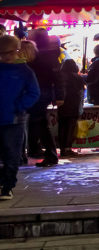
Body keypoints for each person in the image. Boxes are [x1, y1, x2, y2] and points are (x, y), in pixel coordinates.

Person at [0, 35, 40, 200]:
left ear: (17, 51)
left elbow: (34, 93)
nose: (5, 56)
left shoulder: (25, 71)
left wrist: (18, 106)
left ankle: (7, 185)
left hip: (13, 119)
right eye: (2, 53)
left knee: (12, 153)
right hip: (8, 117)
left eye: (8, 53)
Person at [26, 29, 64, 167]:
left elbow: (58, 77)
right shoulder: (48, 54)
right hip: (43, 93)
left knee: (40, 124)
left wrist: (60, 95)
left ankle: (46, 154)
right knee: (39, 124)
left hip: (41, 93)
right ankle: (40, 152)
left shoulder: (42, 55)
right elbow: (58, 77)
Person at [58, 59, 85, 157]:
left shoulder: (61, 76)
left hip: (63, 105)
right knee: (70, 128)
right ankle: (67, 148)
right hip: (74, 105)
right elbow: (81, 92)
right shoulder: (78, 77)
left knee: (62, 128)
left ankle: (62, 148)